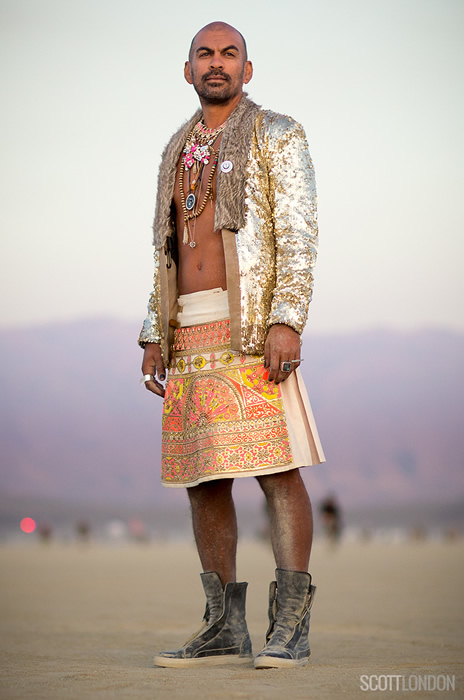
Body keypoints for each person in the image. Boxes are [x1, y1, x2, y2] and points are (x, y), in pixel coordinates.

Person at [138, 21, 325, 669]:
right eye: (204, 55)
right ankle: (223, 628)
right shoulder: (174, 149)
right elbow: (166, 250)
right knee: (202, 480)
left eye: (229, 54)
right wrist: (153, 331)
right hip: (187, 332)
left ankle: (291, 627)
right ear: (187, 70)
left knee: (275, 468)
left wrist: (287, 319)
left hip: (250, 326)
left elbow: (298, 234)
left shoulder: (277, 133)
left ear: (248, 70)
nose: (216, 64)